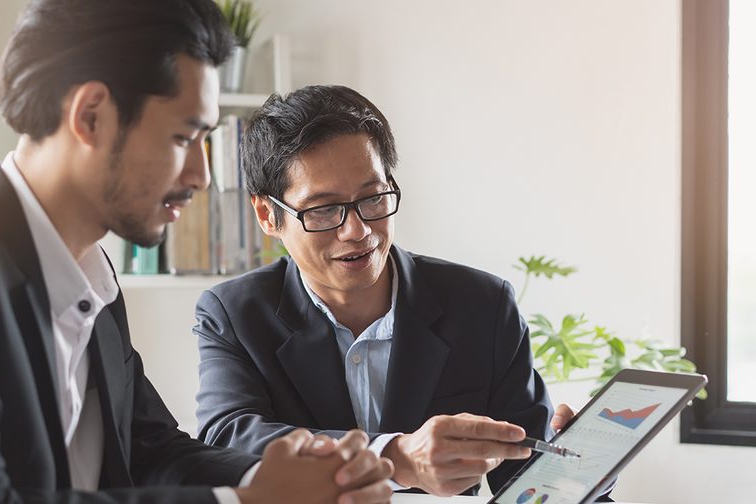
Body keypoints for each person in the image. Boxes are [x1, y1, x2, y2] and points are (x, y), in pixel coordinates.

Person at [0, 3, 393, 503]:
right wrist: (242, 500)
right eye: (184, 138)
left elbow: (148, 448)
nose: (200, 176)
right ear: (91, 115)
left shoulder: (93, 279)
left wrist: (289, 477)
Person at [193, 84, 582, 497]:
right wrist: (395, 457)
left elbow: (532, 483)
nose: (358, 231)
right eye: (324, 209)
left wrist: (583, 465)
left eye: (373, 198)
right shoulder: (234, 314)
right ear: (267, 215)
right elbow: (228, 438)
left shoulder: (483, 306)